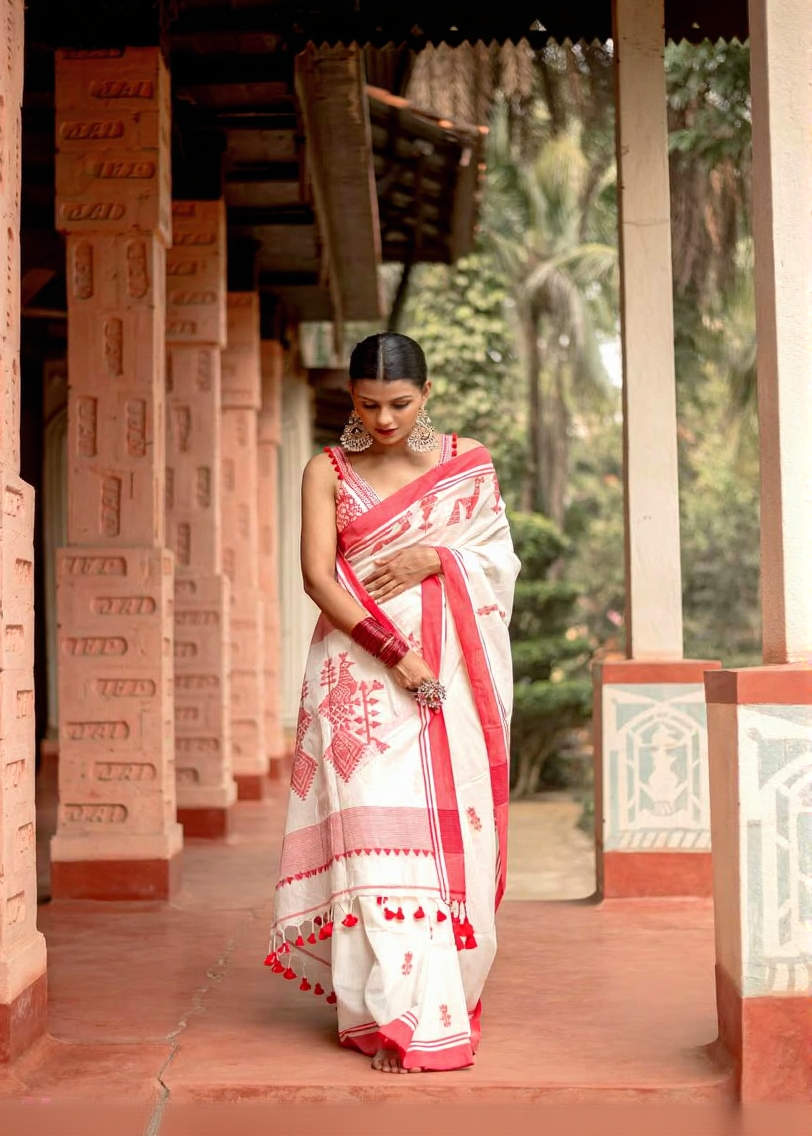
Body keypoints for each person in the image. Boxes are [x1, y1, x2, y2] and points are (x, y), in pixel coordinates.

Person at [267, 332, 521, 1073]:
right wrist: (394, 654)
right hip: (359, 678)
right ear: (351, 398)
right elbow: (318, 577)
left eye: (400, 404)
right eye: (369, 404)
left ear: (429, 393)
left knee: (449, 838)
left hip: (454, 679)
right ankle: (389, 1010)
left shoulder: (466, 466)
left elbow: (498, 562)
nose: (384, 420)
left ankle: (434, 1006)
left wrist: (435, 556)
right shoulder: (329, 470)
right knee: (376, 840)